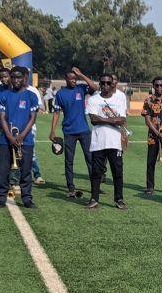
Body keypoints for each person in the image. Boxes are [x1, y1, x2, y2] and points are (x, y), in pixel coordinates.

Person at [49, 67, 97, 198]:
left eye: (75, 78)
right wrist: (52, 131)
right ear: (66, 79)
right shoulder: (60, 94)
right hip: (69, 132)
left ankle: (95, 185)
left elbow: (95, 87)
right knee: (68, 161)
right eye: (70, 79)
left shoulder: (81, 89)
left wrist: (81, 74)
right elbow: (56, 113)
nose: (73, 81)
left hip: (84, 131)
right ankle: (70, 186)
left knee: (90, 159)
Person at [0, 66, 39, 208]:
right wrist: (10, 136)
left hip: (25, 140)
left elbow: (32, 118)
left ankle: (27, 198)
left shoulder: (31, 96)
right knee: (3, 170)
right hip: (5, 139)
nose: (15, 80)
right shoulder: (3, 95)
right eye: (13, 77)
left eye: (18, 77)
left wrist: (21, 135)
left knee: (26, 170)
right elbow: (2, 118)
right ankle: (1, 198)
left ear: (24, 78)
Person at [86, 74, 127, 210]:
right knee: (96, 172)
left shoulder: (119, 99)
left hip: (115, 142)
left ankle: (119, 199)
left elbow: (121, 120)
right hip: (98, 142)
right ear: (100, 84)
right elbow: (93, 119)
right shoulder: (93, 99)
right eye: (102, 83)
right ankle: (94, 198)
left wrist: (102, 119)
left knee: (117, 172)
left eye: (108, 83)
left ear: (112, 84)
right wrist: (111, 121)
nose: (105, 85)